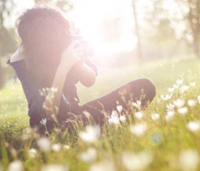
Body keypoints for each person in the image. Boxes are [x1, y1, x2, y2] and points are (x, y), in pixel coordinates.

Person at [8, 6, 156, 134]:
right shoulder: (22, 59)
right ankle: (97, 129)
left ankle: (96, 129)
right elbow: (48, 112)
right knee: (63, 130)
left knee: (144, 86)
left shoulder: (64, 42)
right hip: (49, 127)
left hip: (77, 114)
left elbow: (89, 81)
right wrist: (64, 66)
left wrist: (76, 61)